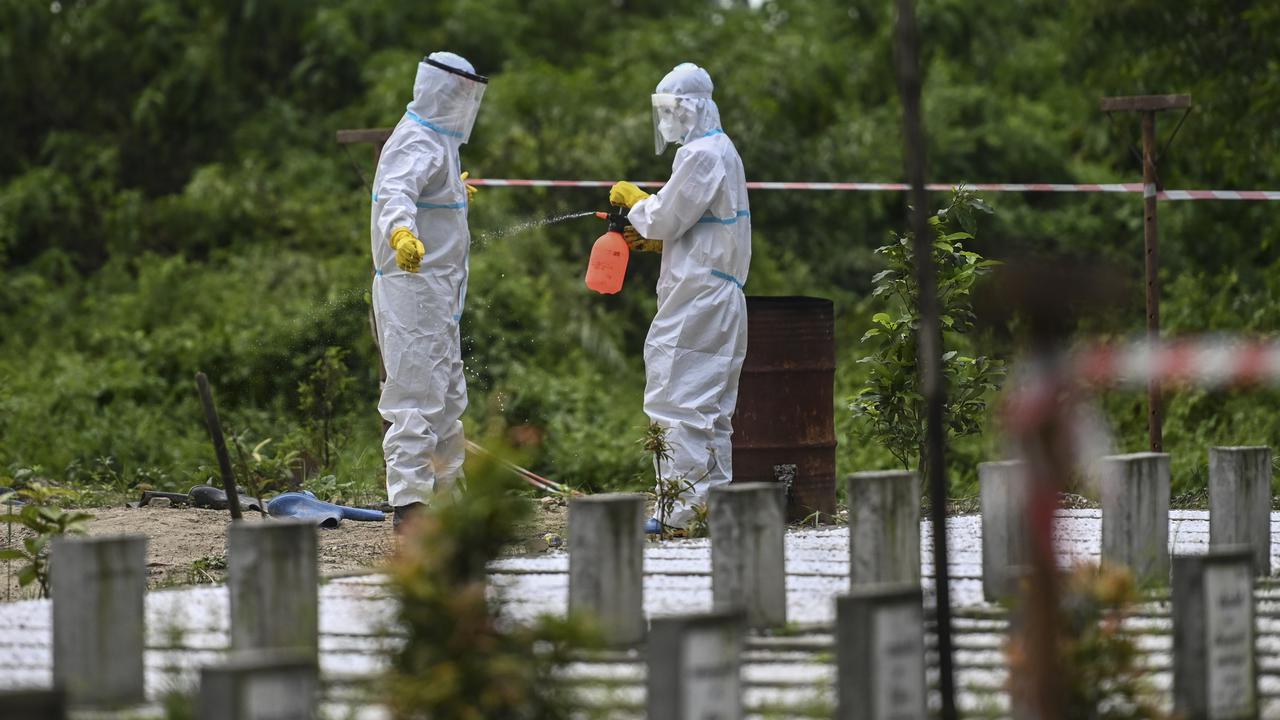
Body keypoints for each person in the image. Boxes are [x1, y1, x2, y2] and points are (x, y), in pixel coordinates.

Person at [609, 62, 751, 534]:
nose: (668, 119)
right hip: (716, 295)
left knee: (677, 401)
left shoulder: (701, 154)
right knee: (710, 410)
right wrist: (660, 241)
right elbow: (698, 223)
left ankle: (682, 515)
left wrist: (636, 202)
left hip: (697, 300)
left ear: (692, 107)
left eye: (673, 109)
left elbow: (667, 216)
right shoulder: (720, 150)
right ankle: (713, 508)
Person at [369, 52, 486, 528]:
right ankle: (412, 508)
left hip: (437, 294)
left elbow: (424, 189)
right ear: (443, 90)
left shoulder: (439, 141)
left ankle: (448, 503)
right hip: (412, 289)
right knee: (415, 399)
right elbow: (397, 191)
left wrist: (451, 196)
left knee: (446, 399)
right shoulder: (417, 137)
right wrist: (400, 232)